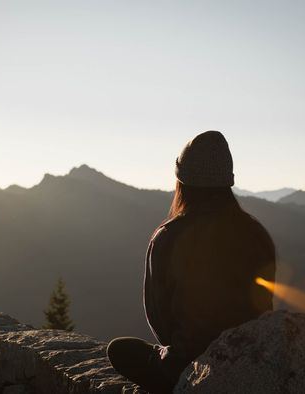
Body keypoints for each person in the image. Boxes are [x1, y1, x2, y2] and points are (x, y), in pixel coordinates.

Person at [106, 131, 276, 393]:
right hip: (250, 359)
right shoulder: (256, 234)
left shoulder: (169, 237)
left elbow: (160, 318)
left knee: (120, 349)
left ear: (181, 182)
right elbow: (264, 306)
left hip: (190, 366)